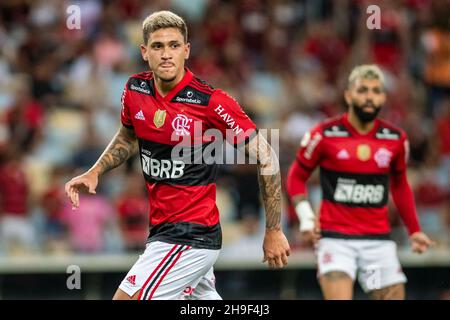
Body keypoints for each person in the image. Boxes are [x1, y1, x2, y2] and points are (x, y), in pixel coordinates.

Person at [65, 10, 290, 300]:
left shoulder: (211, 102)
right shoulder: (135, 89)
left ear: (186, 50)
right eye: (158, 46)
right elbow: (127, 136)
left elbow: (266, 155)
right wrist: (95, 171)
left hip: (190, 236)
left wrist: (273, 229)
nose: (166, 54)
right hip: (162, 230)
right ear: (145, 52)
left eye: (174, 45)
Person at [286, 64, 434, 300]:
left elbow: (400, 186)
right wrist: (306, 217)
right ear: (348, 95)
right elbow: (296, 177)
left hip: (376, 245)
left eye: (376, 91)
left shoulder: (395, 139)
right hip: (336, 242)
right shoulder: (324, 134)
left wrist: (414, 230)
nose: (369, 97)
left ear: (383, 97)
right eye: (362, 90)